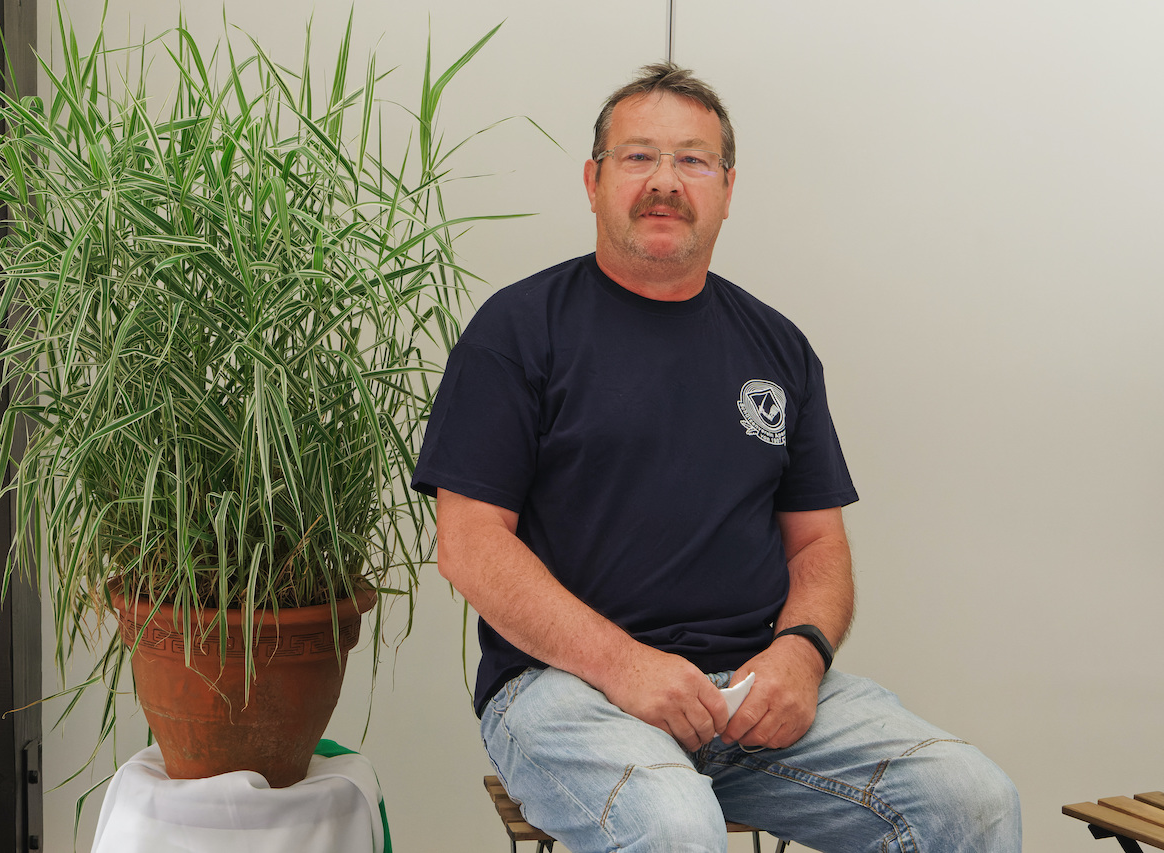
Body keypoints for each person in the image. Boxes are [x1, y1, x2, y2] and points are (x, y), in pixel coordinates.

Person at [412, 62, 1021, 853]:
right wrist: (627, 666)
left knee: (972, 799)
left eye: (693, 160)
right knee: (674, 827)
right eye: (639, 156)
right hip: (566, 691)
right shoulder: (518, 331)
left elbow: (818, 545)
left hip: (748, 693)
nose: (665, 181)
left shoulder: (779, 347)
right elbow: (468, 544)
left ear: (728, 189)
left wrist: (801, 655)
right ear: (593, 182)